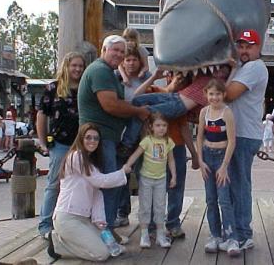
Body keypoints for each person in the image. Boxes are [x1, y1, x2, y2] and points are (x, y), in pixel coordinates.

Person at [77, 35, 150, 234]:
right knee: (110, 185)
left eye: (121, 51)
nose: (118, 54)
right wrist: (139, 112)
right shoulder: (100, 71)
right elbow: (110, 105)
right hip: (101, 138)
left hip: (108, 137)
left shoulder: (108, 72)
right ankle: (106, 232)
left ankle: (103, 229)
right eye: (114, 50)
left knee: (112, 184)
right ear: (103, 50)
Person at [47, 123, 131, 262]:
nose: (92, 141)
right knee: (102, 254)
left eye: (96, 138)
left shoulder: (90, 162)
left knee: (110, 247)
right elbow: (100, 181)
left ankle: (65, 240)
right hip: (67, 218)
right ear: (80, 139)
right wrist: (123, 172)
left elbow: (97, 194)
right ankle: (57, 243)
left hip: (83, 219)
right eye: (88, 137)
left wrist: (99, 220)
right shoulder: (76, 156)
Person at [133, 69, 200, 238]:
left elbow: (185, 128)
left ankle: (173, 223)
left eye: (184, 77)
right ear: (169, 76)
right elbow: (134, 98)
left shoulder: (183, 101)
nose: (180, 79)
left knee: (176, 185)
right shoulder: (154, 91)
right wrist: (156, 77)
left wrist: (194, 153)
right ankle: (151, 225)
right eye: (176, 75)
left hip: (176, 146)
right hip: (151, 148)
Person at [119, 65, 231, 155]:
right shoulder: (205, 75)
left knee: (143, 111)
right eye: (219, 69)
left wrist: (233, 68)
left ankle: (127, 144)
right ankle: (129, 140)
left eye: (223, 71)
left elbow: (227, 86)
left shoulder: (218, 85)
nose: (219, 72)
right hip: (176, 96)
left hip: (179, 106)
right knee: (137, 101)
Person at [225, 29, 268, 250]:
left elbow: (228, 94)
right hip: (238, 133)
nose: (244, 50)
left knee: (240, 184)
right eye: (240, 46)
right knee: (234, 183)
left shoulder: (254, 67)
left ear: (258, 48)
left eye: (249, 46)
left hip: (243, 134)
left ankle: (243, 234)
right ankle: (236, 231)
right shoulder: (243, 67)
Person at [37, 51, 86, 238]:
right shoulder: (53, 88)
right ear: (66, 66)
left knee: (81, 183)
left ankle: (76, 221)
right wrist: (42, 142)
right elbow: (42, 115)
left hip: (83, 145)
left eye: (80, 66)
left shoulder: (85, 87)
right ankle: (45, 225)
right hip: (60, 143)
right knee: (54, 184)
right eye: (74, 65)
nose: (77, 69)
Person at [196, 79, 239, 256]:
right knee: (211, 200)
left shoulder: (227, 113)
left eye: (218, 94)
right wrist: (200, 160)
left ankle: (231, 237)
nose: (214, 97)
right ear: (206, 94)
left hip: (222, 157)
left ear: (223, 95)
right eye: (211, 94)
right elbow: (199, 136)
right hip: (207, 156)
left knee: (224, 200)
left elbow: (232, 140)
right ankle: (215, 235)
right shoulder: (204, 112)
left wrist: (224, 166)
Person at [123, 112, 176, 248]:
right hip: (146, 178)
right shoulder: (147, 141)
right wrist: (128, 165)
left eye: (164, 125)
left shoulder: (168, 141)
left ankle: (160, 234)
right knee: (145, 206)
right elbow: (136, 154)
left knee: (160, 206)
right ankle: (144, 234)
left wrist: (174, 176)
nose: (161, 128)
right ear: (151, 126)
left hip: (161, 179)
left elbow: (171, 160)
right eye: (158, 125)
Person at [115, 47, 152, 228]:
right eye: (127, 60)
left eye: (134, 60)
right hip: (122, 133)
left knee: (144, 174)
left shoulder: (146, 77)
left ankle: (148, 216)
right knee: (123, 173)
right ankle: (122, 212)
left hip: (144, 131)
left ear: (140, 62)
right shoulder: (116, 77)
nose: (131, 63)